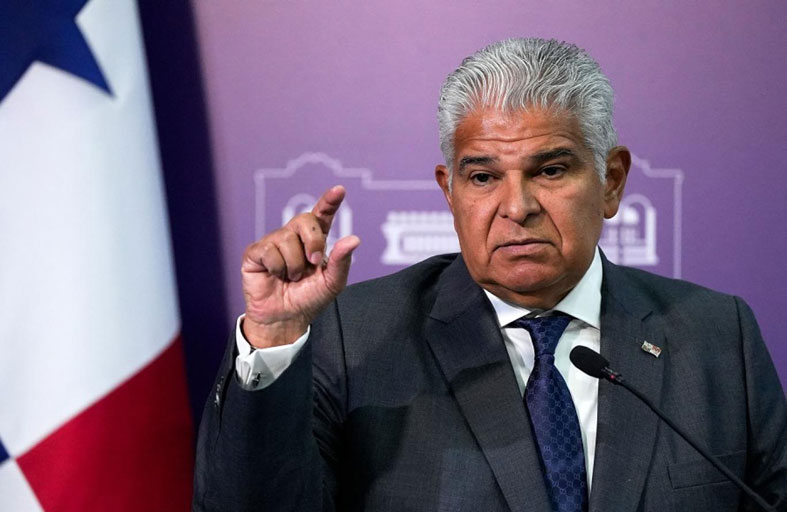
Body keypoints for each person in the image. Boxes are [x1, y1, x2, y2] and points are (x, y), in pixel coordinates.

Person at [193, 38, 787, 511]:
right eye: (482, 177)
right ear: (449, 191)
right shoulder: (354, 336)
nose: (517, 207)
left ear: (610, 181)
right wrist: (274, 337)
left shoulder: (717, 335)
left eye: (550, 170)